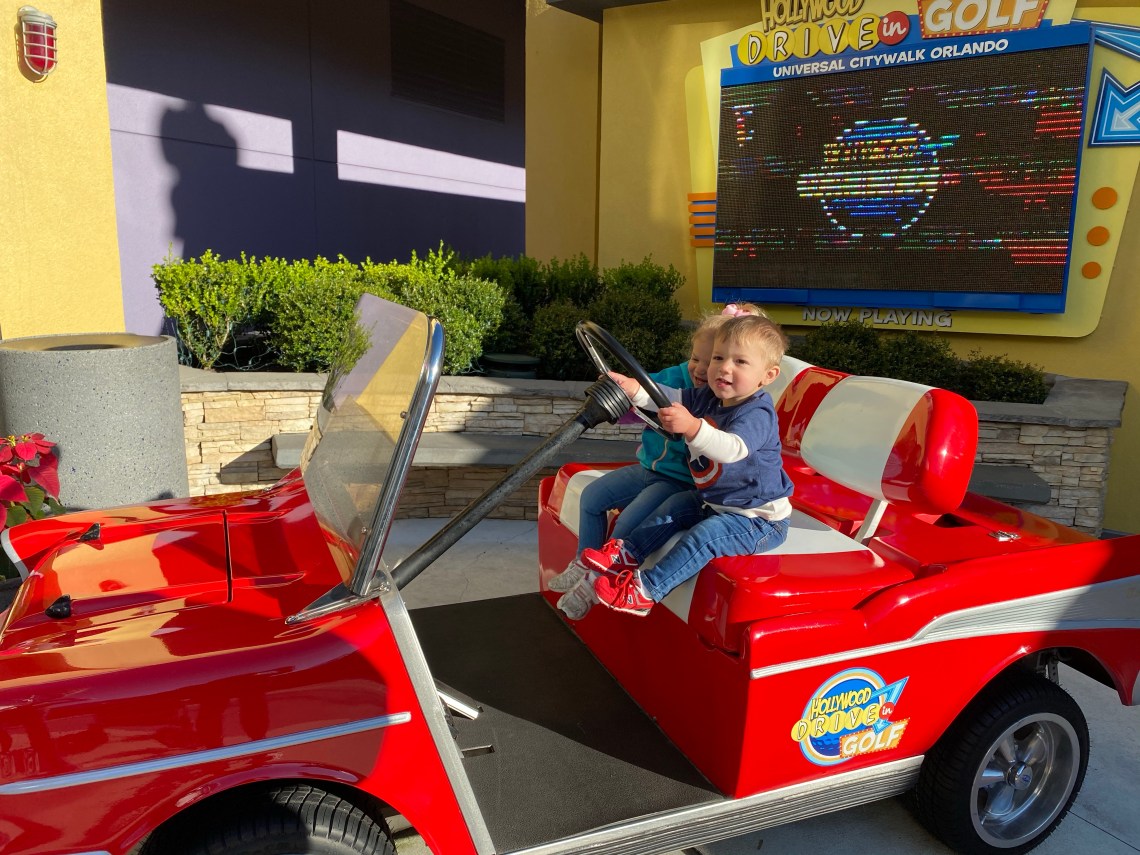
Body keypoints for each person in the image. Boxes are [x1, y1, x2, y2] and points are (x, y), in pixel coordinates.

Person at [549, 304, 765, 620]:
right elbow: (644, 395)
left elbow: (730, 445)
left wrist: (690, 424)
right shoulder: (678, 379)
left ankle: (592, 586)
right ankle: (585, 562)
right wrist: (624, 395)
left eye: (712, 361)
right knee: (592, 497)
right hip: (649, 468)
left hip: (677, 480)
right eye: (697, 359)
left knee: (626, 524)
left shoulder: (723, 402)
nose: (701, 369)